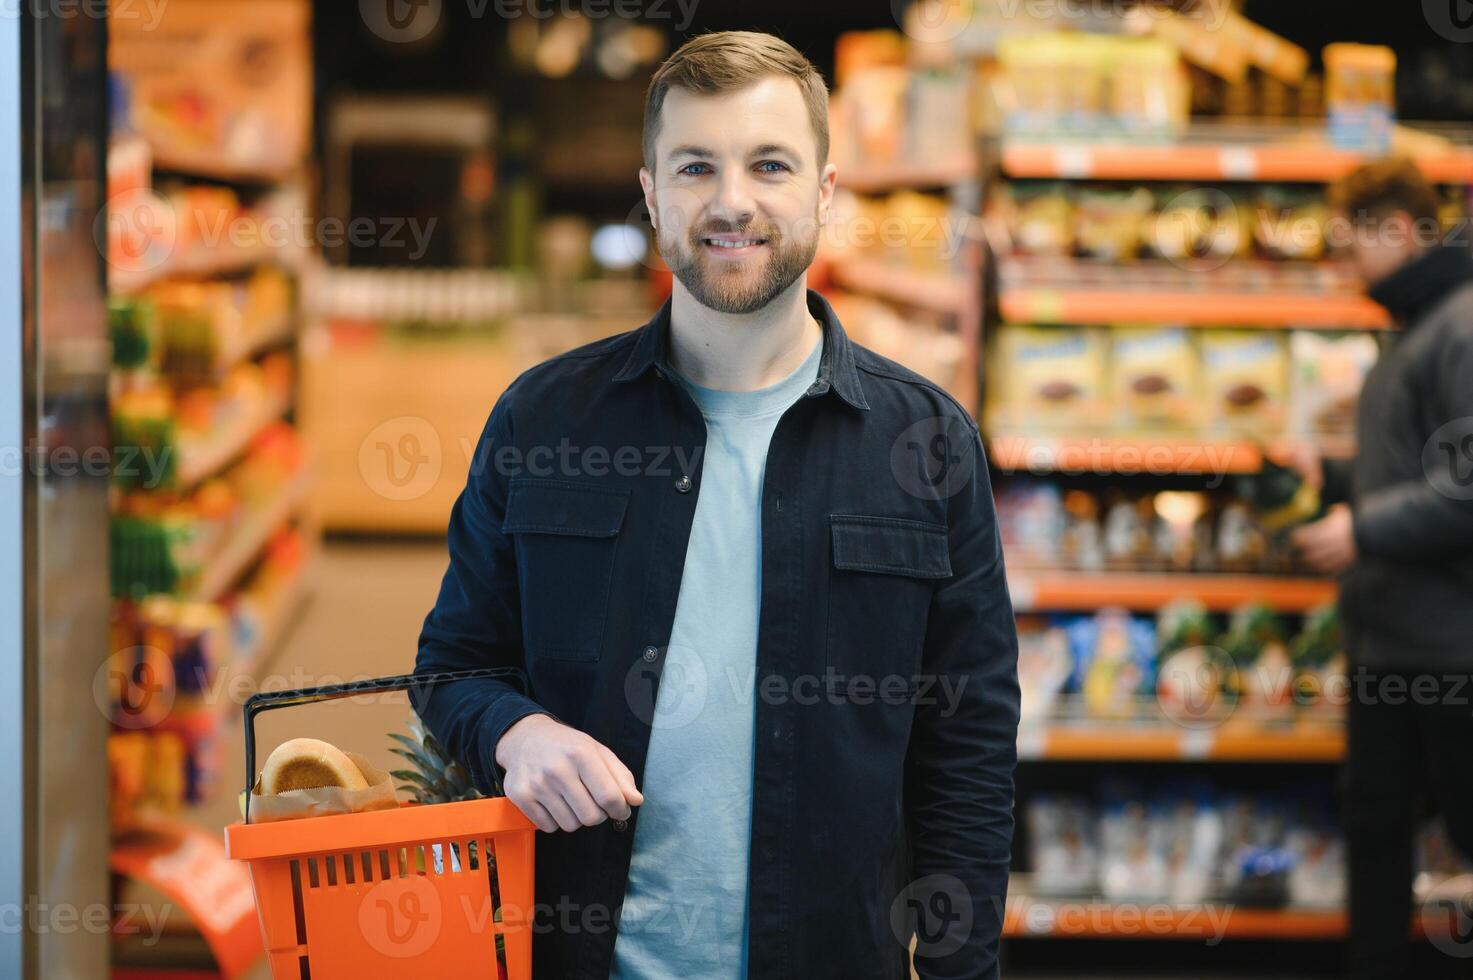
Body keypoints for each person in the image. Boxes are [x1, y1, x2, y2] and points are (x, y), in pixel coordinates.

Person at [412, 30, 1020, 980]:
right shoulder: (544, 419)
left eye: (768, 164)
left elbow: (967, 756)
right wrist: (514, 731)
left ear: (823, 192)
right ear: (652, 194)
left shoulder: (926, 446)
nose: (731, 201)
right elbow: (453, 668)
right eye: (695, 166)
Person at [1288, 158, 1473, 979]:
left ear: (1397, 231)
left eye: (1347, 245)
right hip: (1389, 645)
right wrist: (1328, 479)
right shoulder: (1416, 329)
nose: (1341, 266)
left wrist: (1362, 529)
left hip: (1450, 652)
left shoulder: (1460, 326)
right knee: (1374, 836)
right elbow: (1414, 468)